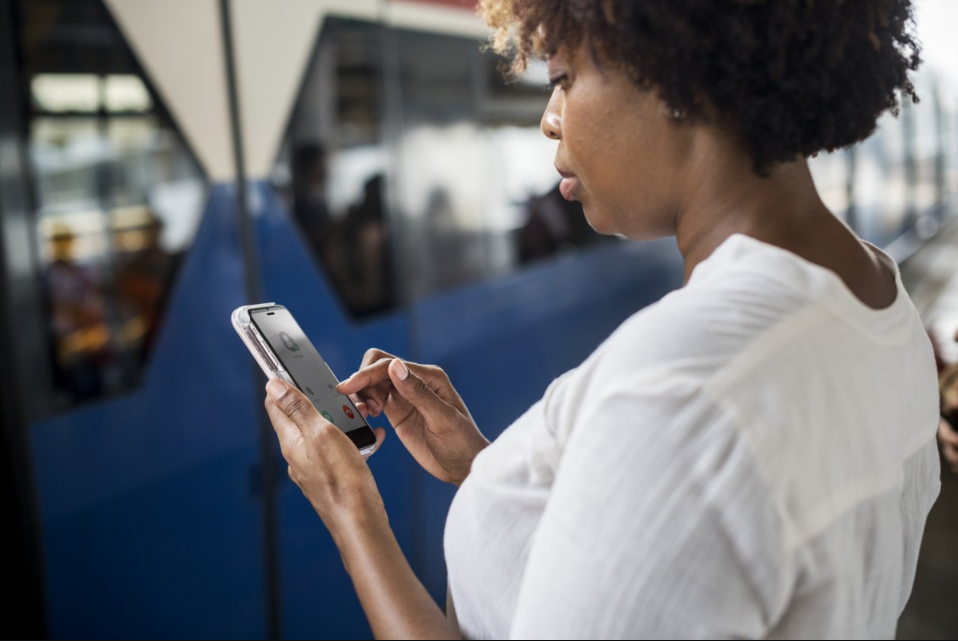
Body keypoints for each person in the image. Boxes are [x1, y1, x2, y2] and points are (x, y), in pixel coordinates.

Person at [262, 1, 941, 638]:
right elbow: (680, 537)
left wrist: (348, 506)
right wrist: (491, 470)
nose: (549, 118)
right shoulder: (878, 295)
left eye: (563, 78)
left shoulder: (680, 387)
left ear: (673, 74)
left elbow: (686, 454)